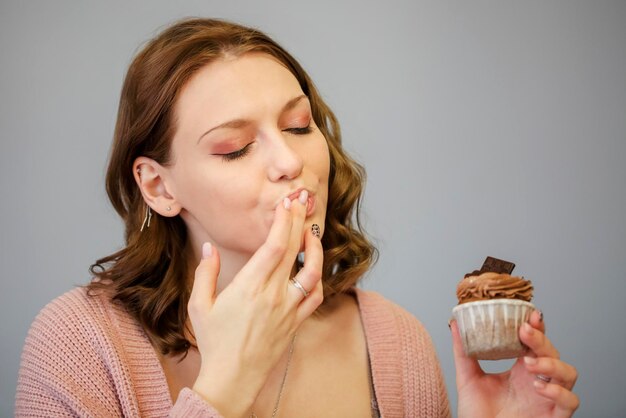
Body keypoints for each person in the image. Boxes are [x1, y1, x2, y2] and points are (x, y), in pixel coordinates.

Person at [15, 18, 578, 417]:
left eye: (300, 126)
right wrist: (220, 394)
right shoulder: (78, 344)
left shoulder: (398, 342)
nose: (291, 163)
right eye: (235, 147)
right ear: (159, 186)